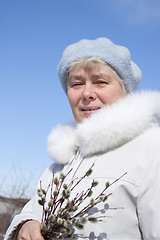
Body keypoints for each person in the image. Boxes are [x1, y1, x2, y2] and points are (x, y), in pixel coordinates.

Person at [5, 37, 160, 240]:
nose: (86, 93)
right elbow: (31, 212)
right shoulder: (61, 162)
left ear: (125, 90)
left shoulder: (152, 149)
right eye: (77, 84)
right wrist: (24, 225)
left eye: (100, 82)